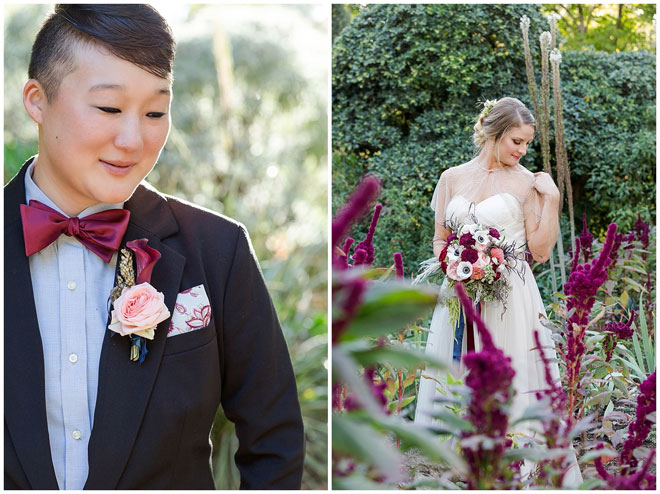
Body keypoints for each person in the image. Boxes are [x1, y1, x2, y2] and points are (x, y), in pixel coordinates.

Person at [4, 4, 304, 489]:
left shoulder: (218, 249)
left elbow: (275, 441)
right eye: (109, 108)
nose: (133, 139)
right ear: (37, 101)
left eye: (154, 113)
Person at [413, 97, 583, 487]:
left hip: (511, 298)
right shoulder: (451, 178)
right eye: (516, 141)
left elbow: (540, 250)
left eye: (527, 144)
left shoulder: (528, 183)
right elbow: (439, 239)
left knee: (512, 380)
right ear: (494, 133)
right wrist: (453, 263)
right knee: (456, 377)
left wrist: (552, 199)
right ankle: (456, 469)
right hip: (459, 295)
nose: (522, 151)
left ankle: (517, 471)